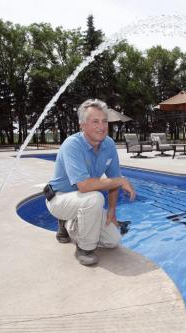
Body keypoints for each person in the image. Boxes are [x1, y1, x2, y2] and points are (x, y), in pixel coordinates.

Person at [45, 99, 136, 266]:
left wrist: (112, 212)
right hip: (59, 199)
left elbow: (115, 180)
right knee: (94, 198)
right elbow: (84, 186)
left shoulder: (108, 144)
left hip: (82, 200)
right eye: (95, 121)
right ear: (82, 125)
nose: (101, 126)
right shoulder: (72, 145)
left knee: (113, 240)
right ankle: (84, 249)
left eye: (104, 121)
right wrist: (119, 180)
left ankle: (69, 225)